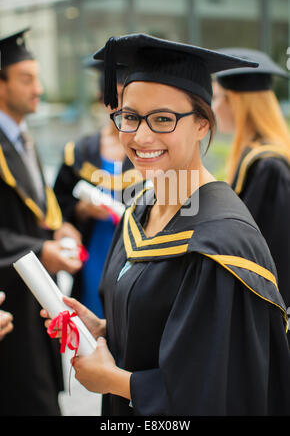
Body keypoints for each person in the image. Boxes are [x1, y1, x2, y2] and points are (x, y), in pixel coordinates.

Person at [42, 34, 290, 416]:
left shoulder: (220, 243)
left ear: (203, 125)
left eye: (163, 119)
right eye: (129, 117)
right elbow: (172, 333)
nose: (140, 136)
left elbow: (219, 387)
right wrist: (107, 329)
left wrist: (110, 381)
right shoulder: (141, 208)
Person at [0, 28, 82, 416]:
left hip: (34, 297)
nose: (39, 89)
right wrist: (38, 250)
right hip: (6, 305)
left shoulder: (21, 137)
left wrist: (57, 229)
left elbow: (33, 208)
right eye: (27, 79)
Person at [53, 59, 143, 317]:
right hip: (95, 250)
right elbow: (57, 206)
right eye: (112, 99)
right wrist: (81, 209)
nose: (119, 108)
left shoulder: (149, 149)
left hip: (135, 252)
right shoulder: (79, 152)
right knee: (94, 314)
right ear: (101, 99)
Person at [212, 48, 290, 311]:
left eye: (219, 98)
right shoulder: (255, 157)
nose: (214, 107)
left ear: (236, 102)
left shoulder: (268, 165)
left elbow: (272, 250)